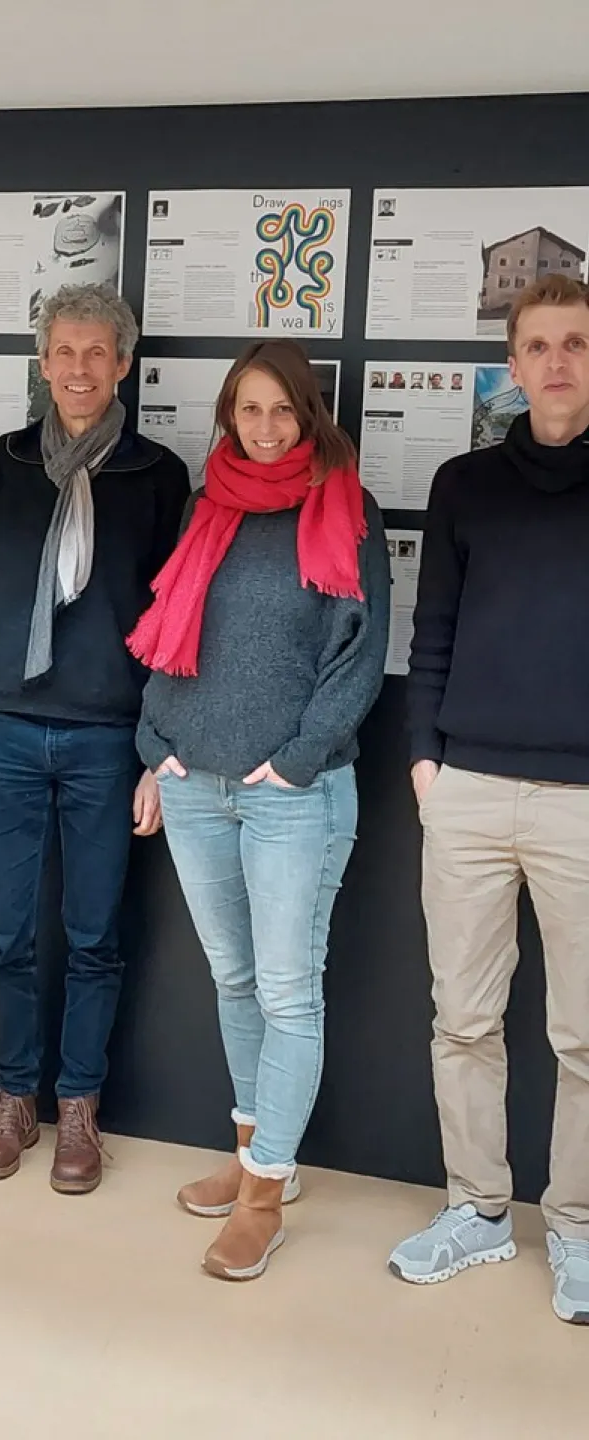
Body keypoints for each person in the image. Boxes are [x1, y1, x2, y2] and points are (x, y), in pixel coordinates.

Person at [131, 338, 389, 1280]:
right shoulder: (214, 506)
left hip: (294, 796)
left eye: (285, 410)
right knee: (234, 983)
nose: (268, 427)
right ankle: (252, 1154)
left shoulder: (345, 513)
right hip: (195, 783)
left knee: (287, 992)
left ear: (310, 414)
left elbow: (358, 658)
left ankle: (266, 1193)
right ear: (229, 417)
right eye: (251, 410)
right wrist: (154, 745)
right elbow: (169, 629)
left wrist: (293, 764)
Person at [0, 281, 189, 1195]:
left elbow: (177, 626)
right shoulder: (4, 463)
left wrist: (157, 753)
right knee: (5, 934)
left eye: (98, 353)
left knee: (94, 937)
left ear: (124, 363)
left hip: (106, 741)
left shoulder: (157, 475)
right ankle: (14, 1094)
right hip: (4, 734)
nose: (80, 369)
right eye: (65, 352)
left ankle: (79, 1106)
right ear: (42, 363)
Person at [390, 273, 589, 1325]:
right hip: (465, 789)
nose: (558, 361)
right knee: (463, 1021)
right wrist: (426, 761)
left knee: (584, 1036)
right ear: (511, 366)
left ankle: (580, 1229)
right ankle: (475, 1210)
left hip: (583, 804)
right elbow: (433, 633)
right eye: (540, 345)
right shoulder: (467, 483)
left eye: (576, 343)